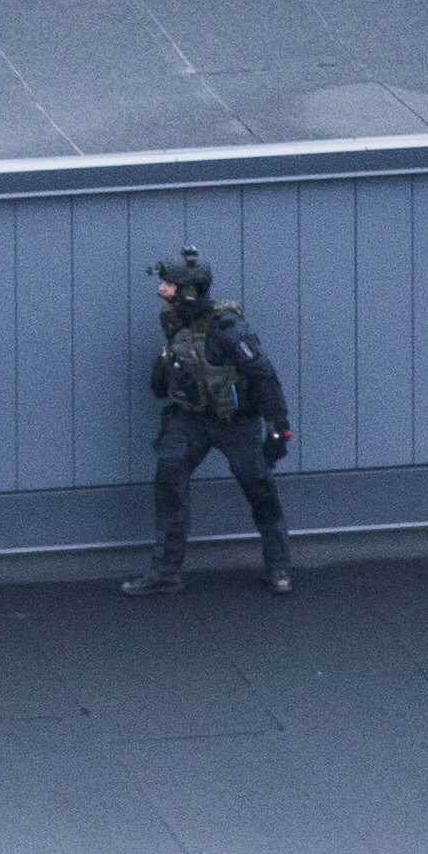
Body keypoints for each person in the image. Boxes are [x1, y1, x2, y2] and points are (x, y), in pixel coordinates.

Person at [125, 249, 291, 596]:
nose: (162, 290)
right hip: (189, 419)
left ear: (188, 290)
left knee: (259, 487)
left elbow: (263, 374)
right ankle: (166, 570)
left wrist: (278, 427)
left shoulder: (228, 328)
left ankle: (278, 566)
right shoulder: (174, 322)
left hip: (236, 423)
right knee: (169, 482)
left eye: (169, 285)